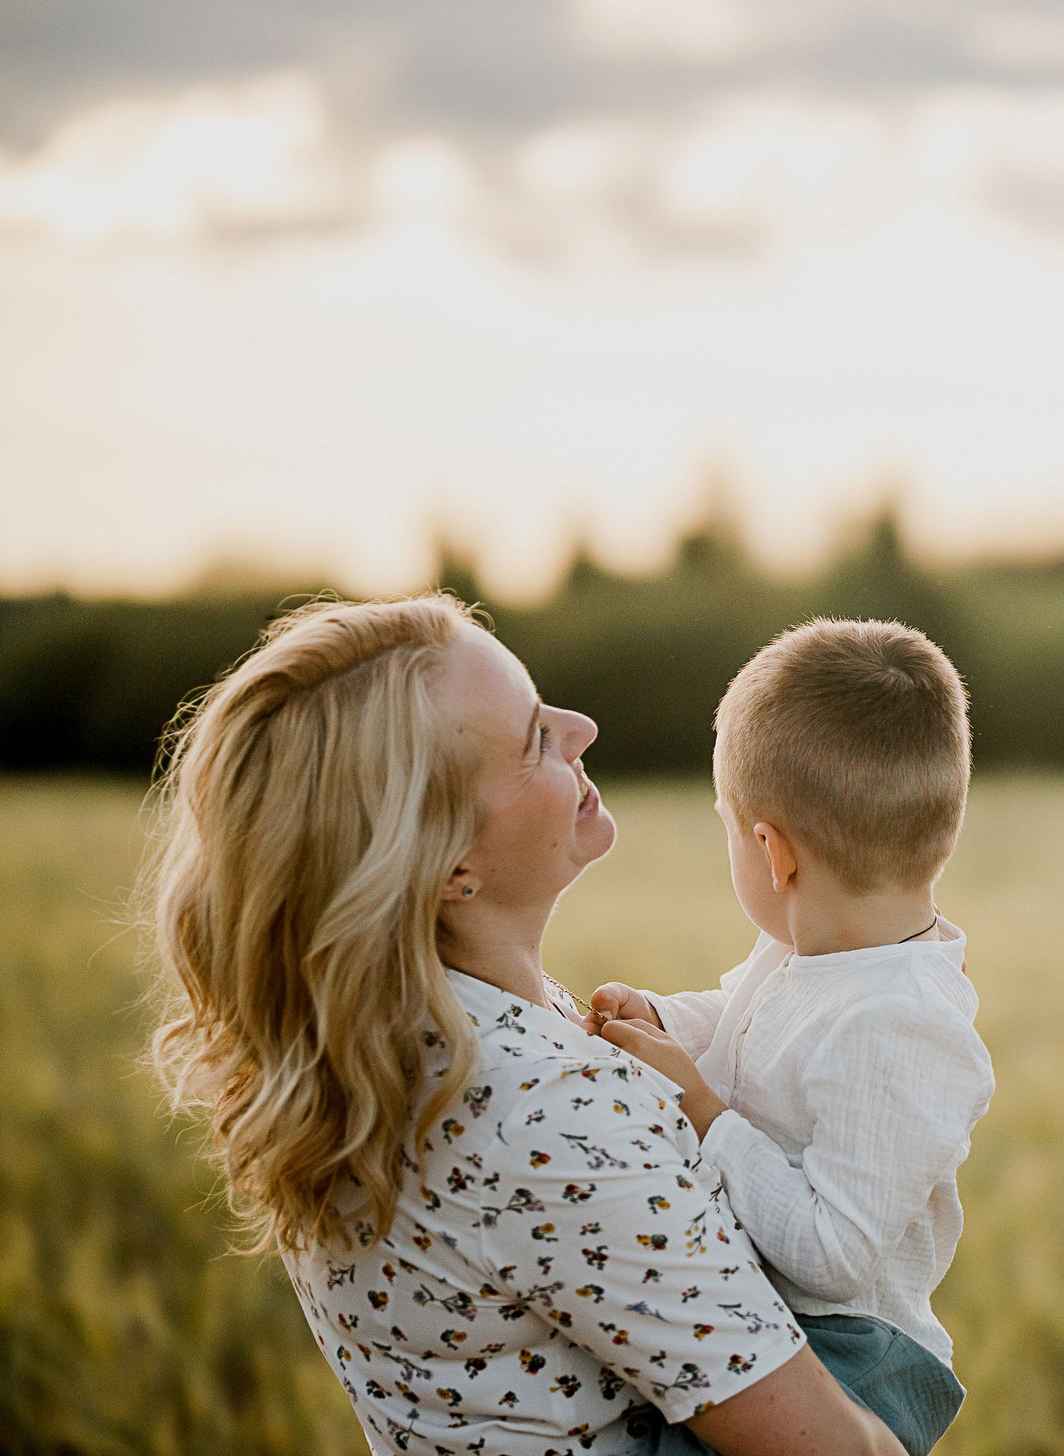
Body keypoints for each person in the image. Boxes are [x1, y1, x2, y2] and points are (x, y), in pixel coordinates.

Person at [143, 595, 904, 1456]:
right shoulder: (552, 1110)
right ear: (448, 863)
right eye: (536, 738)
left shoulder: (366, 1054)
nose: (580, 727)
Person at [584, 620, 996, 1456]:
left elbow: (832, 1251)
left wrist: (702, 1112)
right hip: (780, 1319)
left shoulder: (903, 1022)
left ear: (773, 854)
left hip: (853, 1357)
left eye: (729, 828)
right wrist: (663, 1019)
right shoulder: (807, 950)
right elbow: (744, 1016)